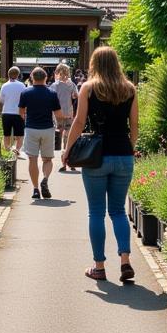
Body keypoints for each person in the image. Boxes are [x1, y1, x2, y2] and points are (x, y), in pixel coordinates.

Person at [63, 46, 138, 283]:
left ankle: (99, 267)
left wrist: (67, 150)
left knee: (96, 211)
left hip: (96, 156)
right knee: (118, 211)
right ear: (117, 64)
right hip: (123, 155)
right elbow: (134, 126)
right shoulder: (129, 89)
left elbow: (79, 122)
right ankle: (125, 261)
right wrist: (131, 148)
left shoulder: (88, 88)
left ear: (95, 64)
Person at [18, 67, 62, 199]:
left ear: (31, 77)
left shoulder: (25, 92)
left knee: (32, 159)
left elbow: (21, 112)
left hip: (31, 128)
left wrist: (27, 118)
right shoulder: (52, 93)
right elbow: (58, 115)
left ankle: (36, 189)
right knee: (47, 159)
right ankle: (45, 179)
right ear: (46, 78)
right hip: (47, 129)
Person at [50, 63, 79, 167]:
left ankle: (61, 154)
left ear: (58, 72)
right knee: (67, 133)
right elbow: (76, 96)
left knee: (59, 132)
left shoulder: (54, 85)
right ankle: (66, 153)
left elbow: (51, 98)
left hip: (58, 113)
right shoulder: (72, 84)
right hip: (69, 113)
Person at [0, 66, 28, 156]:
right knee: (20, 134)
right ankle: (17, 150)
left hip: (6, 113)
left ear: (8, 74)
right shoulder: (22, 86)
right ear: (18, 75)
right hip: (19, 113)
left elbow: (0, 101)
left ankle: (7, 150)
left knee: (6, 134)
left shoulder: (4, 86)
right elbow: (25, 100)